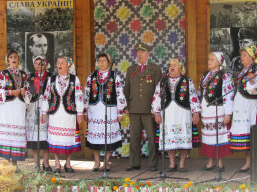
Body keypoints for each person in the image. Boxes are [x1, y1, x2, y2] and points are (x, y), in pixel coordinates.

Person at [151, 57, 201, 172]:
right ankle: (172, 164)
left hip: (183, 113)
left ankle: (182, 164)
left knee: (183, 137)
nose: (171, 67)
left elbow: (193, 97)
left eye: (174, 65)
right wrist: (156, 112)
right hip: (167, 114)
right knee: (169, 138)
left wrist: (196, 113)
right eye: (170, 65)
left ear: (181, 67)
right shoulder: (162, 81)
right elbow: (156, 97)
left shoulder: (187, 80)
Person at [83, 53, 126, 172]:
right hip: (94, 110)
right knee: (94, 138)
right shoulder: (92, 75)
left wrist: (120, 112)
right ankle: (97, 161)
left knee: (108, 137)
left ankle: (106, 162)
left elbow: (119, 93)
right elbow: (86, 93)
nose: (101, 63)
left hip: (110, 110)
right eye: (99, 61)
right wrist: (85, 110)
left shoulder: (114, 76)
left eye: (104, 61)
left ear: (108, 62)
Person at [40, 56, 83, 173]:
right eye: (58, 62)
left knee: (68, 138)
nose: (59, 64)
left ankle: (68, 163)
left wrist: (79, 113)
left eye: (62, 62)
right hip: (55, 113)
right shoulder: (52, 79)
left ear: (68, 65)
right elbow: (46, 96)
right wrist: (44, 112)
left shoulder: (74, 79)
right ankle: (57, 163)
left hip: (69, 113)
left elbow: (79, 96)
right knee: (55, 138)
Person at [124, 42, 162, 172]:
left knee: (152, 137)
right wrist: (126, 107)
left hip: (149, 110)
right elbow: (126, 90)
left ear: (148, 54)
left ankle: (153, 163)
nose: (140, 54)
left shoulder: (155, 69)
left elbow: (158, 91)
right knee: (134, 137)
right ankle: (134, 162)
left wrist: (156, 109)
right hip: (134, 109)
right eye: (138, 52)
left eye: (143, 52)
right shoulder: (131, 70)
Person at [198, 52, 234, 172]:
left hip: (218, 109)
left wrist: (228, 114)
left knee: (219, 136)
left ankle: (220, 163)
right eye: (208, 59)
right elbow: (200, 92)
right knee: (208, 137)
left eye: (212, 59)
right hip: (206, 110)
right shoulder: (205, 75)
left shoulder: (224, 75)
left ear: (219, 62)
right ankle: (210, 163)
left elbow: (228, 95)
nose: (209, 61)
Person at [0, 49, 29, 167]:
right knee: (8, 135)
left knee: (17, 135)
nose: (13, 59)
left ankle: (15, 164)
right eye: (11, 57)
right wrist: (10, 92)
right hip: (7, 109)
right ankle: (7, 164)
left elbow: (29, 92)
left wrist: (24, 92)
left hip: (18, 109)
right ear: (8, 60)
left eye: (15, 57)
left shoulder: (24, 75)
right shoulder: (3, 74)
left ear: (19, 60)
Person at [229, 46, 257, 173]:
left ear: (251, 56)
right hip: (241, 104)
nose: (241, 58)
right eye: (241, 55)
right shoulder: (243, 70)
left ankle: (255, 163)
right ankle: (248, 162)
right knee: (246, 134)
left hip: (251, 105)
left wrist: (253, 81)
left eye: (244, 55)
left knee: (251, 131)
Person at [26, 54, 52, 171]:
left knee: (46, 137)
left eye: (41, 63)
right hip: (33, 107)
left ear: (45, 64)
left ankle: (46, 162)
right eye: (36, 63)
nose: (38, 65)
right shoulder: (30, 77)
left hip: (47, 108)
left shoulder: (51, 77)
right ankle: (36, 162)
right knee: (34, 136)